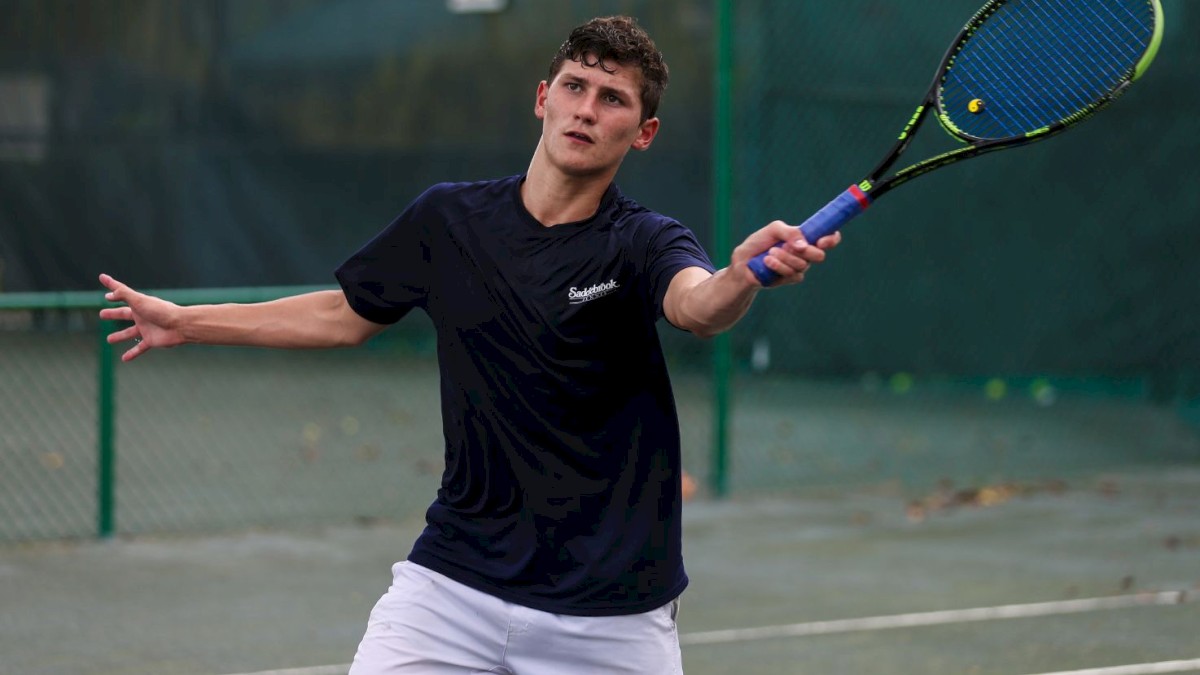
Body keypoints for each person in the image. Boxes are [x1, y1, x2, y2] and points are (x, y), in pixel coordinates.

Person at [98, 15, 839, 675]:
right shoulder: (449, 220)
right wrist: (185, 321)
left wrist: (740, 274)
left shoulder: (644, 242)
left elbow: (697, 304)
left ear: (642, 131)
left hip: (610, 615)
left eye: (612, 99)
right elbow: (344, 314)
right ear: (541, 96)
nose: (586, 108)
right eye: (575, 86)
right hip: (454, 585)